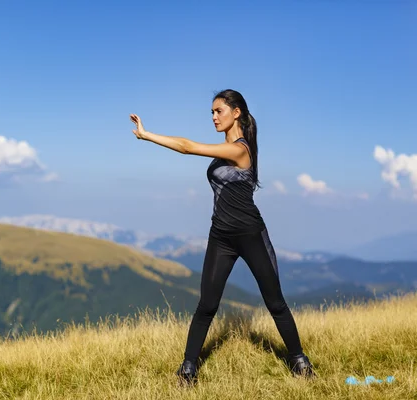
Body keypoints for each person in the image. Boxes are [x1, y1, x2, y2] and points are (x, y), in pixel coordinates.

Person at [129, 89, 315, 384]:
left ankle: (300, 362)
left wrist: (147, 135)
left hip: (251, 235)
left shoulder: (241, 149)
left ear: (236, 112)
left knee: (275, 303)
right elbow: (190, 147)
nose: (214, 117)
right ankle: (188, 369)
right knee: (207, 305)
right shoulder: (224, 149)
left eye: (219, 111)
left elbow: (187, 147)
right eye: (212, 113)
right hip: (221, 237)